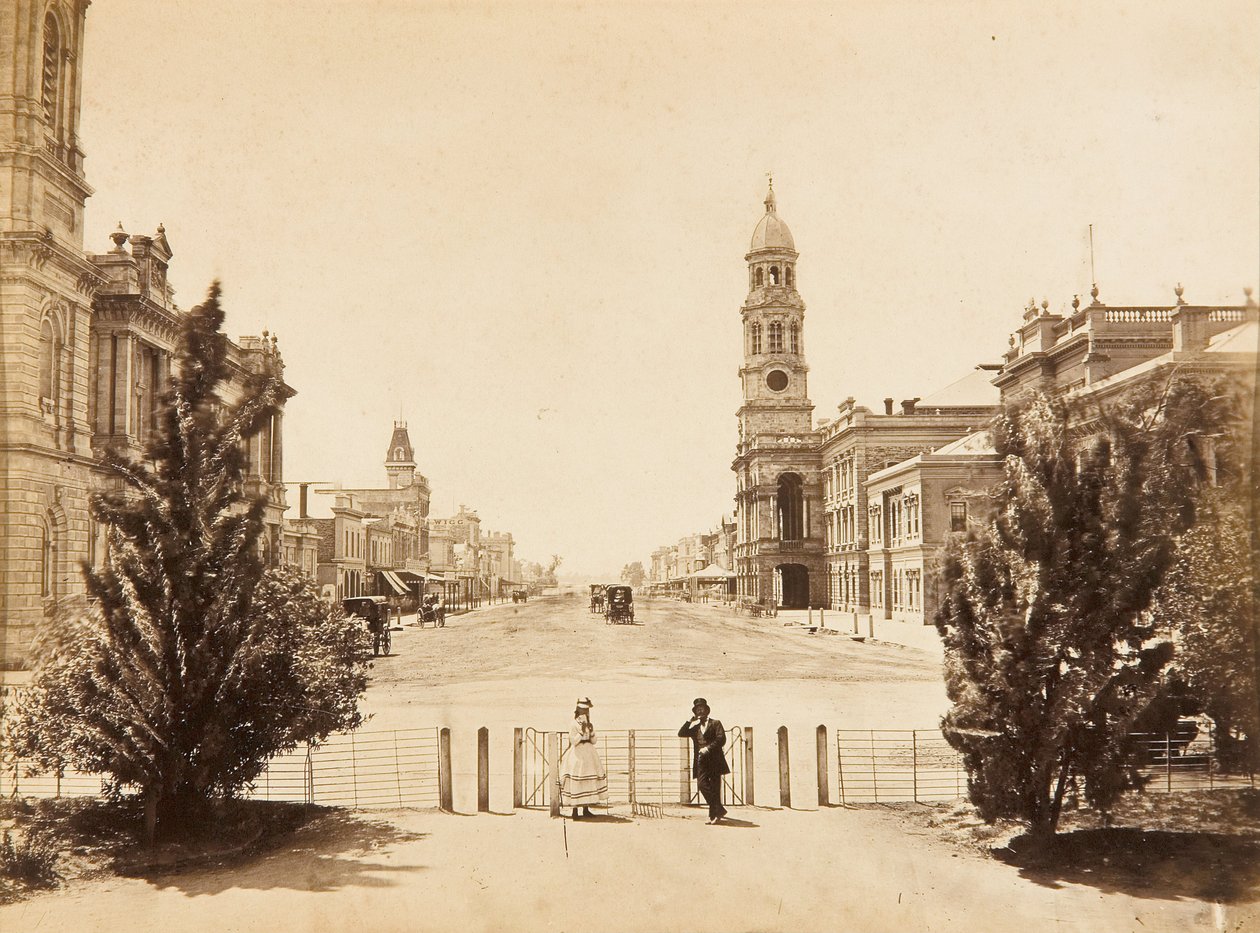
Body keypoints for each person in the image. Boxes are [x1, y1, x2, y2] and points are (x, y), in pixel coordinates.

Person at [678, 697, 729, 824]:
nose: (700, 712)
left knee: (715, 788)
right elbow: (681, 733)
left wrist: (708, 748)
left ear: (707, 711)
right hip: (701, 761)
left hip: (715, 760)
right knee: (702, 785)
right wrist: (689, 721)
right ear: (695, 713)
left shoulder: (716, 723)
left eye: (702, 709)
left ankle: (714, 816)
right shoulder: (695, 728)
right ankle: (719, 809)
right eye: (697, 710)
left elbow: (721, 739)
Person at [559, 697, 607, 818]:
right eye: (583, 711)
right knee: (577, 780)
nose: (585, 713)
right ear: (578, 711)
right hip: (577, 754)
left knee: (588, 780)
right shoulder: (573, 724)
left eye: (586, 711)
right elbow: (573, 741)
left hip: (589, 754)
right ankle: (574, 811)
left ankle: (586, 809)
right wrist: (581, 733)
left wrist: (591, 733)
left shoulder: (589, 724)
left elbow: (594, 741)